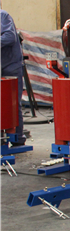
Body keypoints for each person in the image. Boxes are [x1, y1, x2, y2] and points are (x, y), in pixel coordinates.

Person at [1, 8, 25, 144]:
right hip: (2, 66)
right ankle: (3, 138)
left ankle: (17, 138)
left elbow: (10, 37)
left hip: (11, 66)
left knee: (13, 103)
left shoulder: (2, 16)